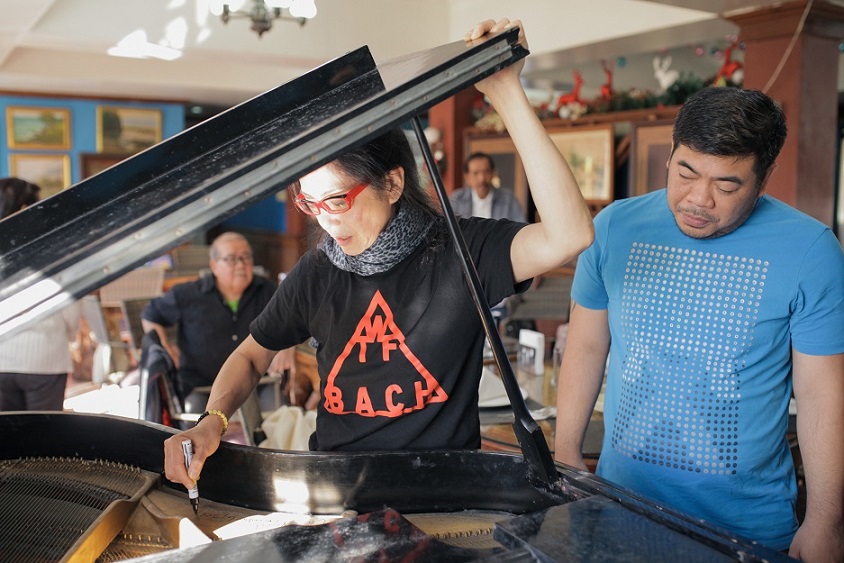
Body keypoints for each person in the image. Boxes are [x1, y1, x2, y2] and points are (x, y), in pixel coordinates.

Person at [164, 18, 593, 486]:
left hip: (442, 495)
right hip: (335, 491)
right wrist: (214, 420)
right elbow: (251, 355)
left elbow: (568, 235)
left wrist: (506, 90)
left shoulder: (461, 251)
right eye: (309, 202)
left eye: (338, 199)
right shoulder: (318, 271)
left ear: (392, 183)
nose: (325, 219)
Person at [554, 86, 844, 561]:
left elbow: (821, 394)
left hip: (744, 531)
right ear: (670, 154)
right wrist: (567, 451)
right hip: (618, 506)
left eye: (727, 186)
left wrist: (825, 521)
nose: (698, 199)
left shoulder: (812, 252)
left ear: (764, 178)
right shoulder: (614, 227)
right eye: (686, 172)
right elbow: (586, 346)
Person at [142, 232, 295, 412]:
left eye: (246, 257)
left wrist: (287, 348)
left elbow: (292, 319)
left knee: (283, 418)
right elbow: (151, 314)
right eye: (231, 259)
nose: (241, 265)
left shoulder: (268, 291)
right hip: (201, 387)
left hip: (257, 384)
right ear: (214, 266)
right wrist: (164, 347)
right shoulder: (189, 294)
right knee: (195, 428)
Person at [0, 177, 81, 411]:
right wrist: (71, 334)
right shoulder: (51, 247)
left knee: (6, 439)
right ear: (26, 208)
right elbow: (70, 305)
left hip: (2, 361)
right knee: (44, 438)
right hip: (45, 359)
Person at [449, 152, 525, 221]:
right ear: (467, 177)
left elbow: (521, 226)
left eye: (486, 172)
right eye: (476, 173)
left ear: (492, 173)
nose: (482, 179)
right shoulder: (457, 198)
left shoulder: (508, 198)